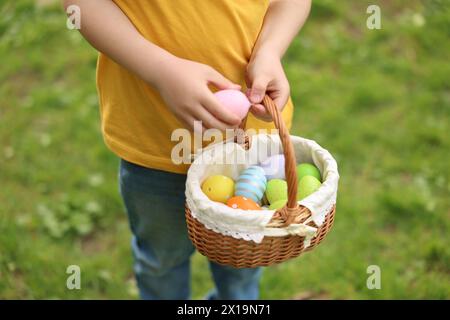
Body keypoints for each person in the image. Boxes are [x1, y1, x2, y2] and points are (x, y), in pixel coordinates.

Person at [63, 0, 311, 300]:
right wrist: (160, 70)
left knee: (242, 263)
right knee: (161, 262)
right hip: (157, 148)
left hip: (251, 147)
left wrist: (269, 49)